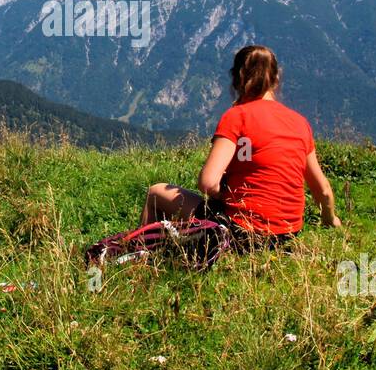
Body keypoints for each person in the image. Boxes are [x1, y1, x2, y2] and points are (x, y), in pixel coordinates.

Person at [140, 45, 341, 244]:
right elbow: (322, 189)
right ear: (276, 79)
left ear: (237, 78)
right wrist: (330, 219)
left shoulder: (237, 117)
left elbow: (208, 183)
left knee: (155, 193)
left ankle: (143, 254)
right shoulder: (299, 123)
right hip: (288, 235)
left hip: (242, 231)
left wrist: (230, 196)